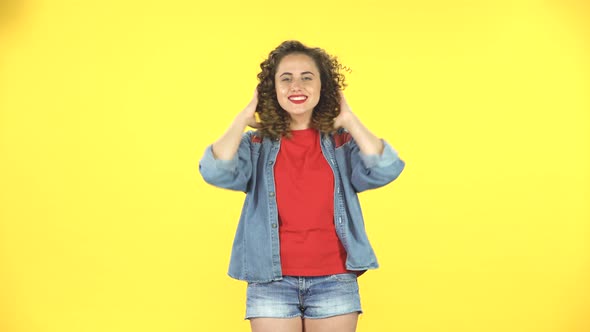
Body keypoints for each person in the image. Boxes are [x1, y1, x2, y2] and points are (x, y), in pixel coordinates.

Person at [199, 40, 405, 332]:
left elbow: (386, 169)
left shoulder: (342, 143)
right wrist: (241, 119)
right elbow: (215, 171)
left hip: (335, 279)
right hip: (270, 281)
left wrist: (349, 119)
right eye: (286, 78)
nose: (297, 86)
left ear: (324, 87)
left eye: (307, 77)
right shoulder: (255, 145)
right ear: (272, 89)